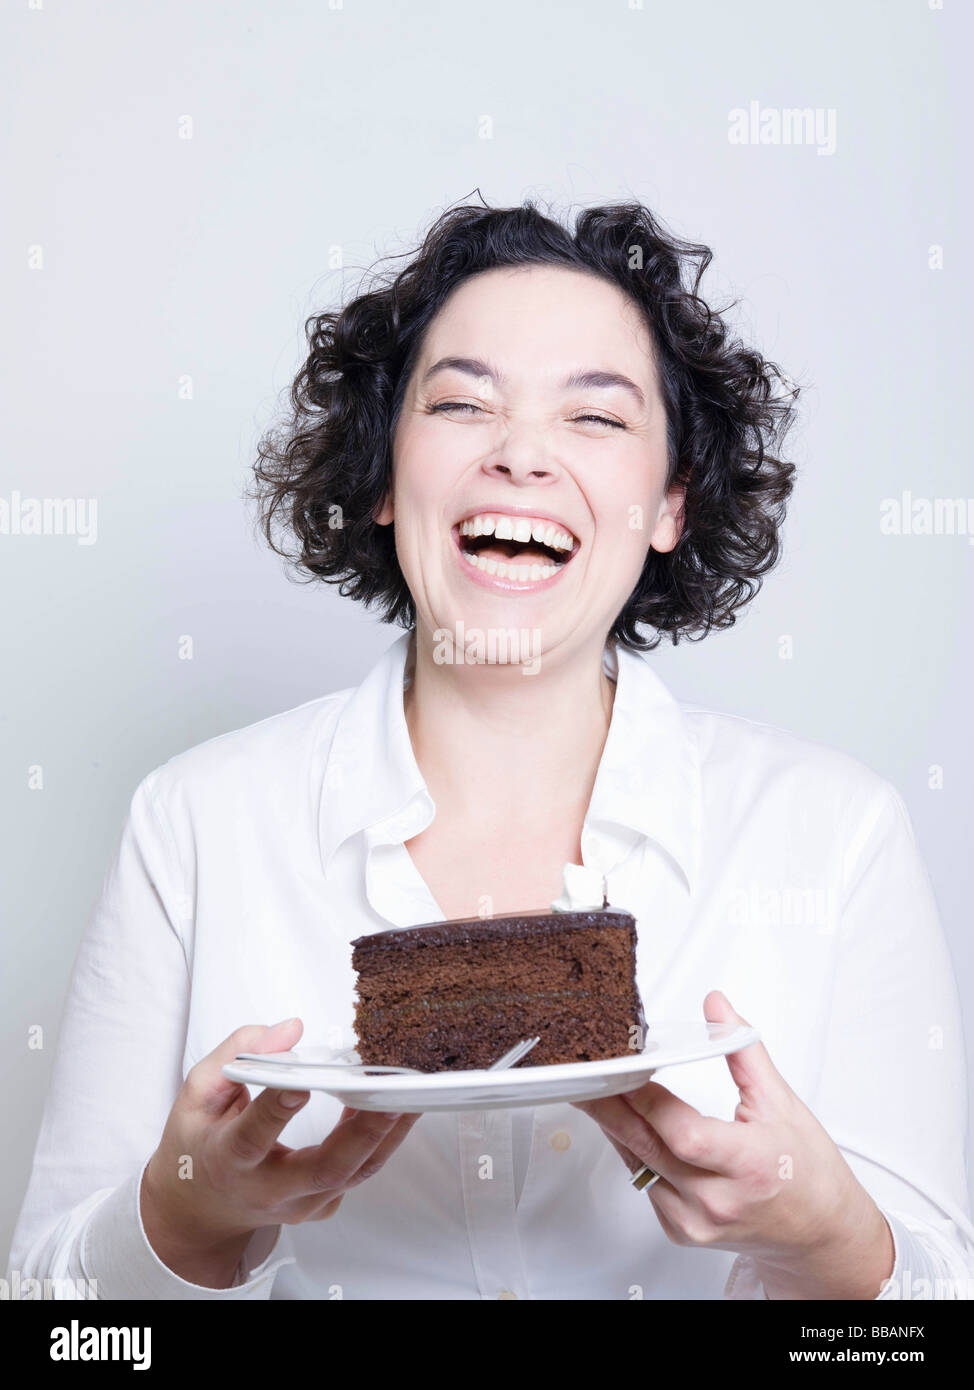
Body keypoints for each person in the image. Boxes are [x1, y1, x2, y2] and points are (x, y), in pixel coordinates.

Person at [9, 198, 974, 1300]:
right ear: (381, 476)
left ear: (668, 503)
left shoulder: (832, 832)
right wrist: (182, 1219)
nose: (519, 453)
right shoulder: (193, 819)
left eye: (595, 419)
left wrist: (830, 1237)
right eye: (463, 402)